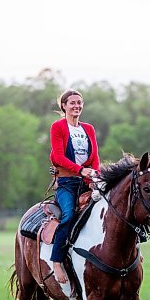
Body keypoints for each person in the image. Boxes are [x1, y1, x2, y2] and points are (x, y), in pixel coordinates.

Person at [49, 89, 101, 284]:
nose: (76, 106)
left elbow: (95, 157)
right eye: (72, 103)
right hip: (66, 183)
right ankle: (56, 261)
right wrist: (80, 170)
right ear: (64, 106)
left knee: (112, 209)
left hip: (87, 182)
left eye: (79, 102)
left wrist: (93, 177)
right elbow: (59, 156)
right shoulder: (58, 127)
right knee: (69, 214)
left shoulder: (89, 128)